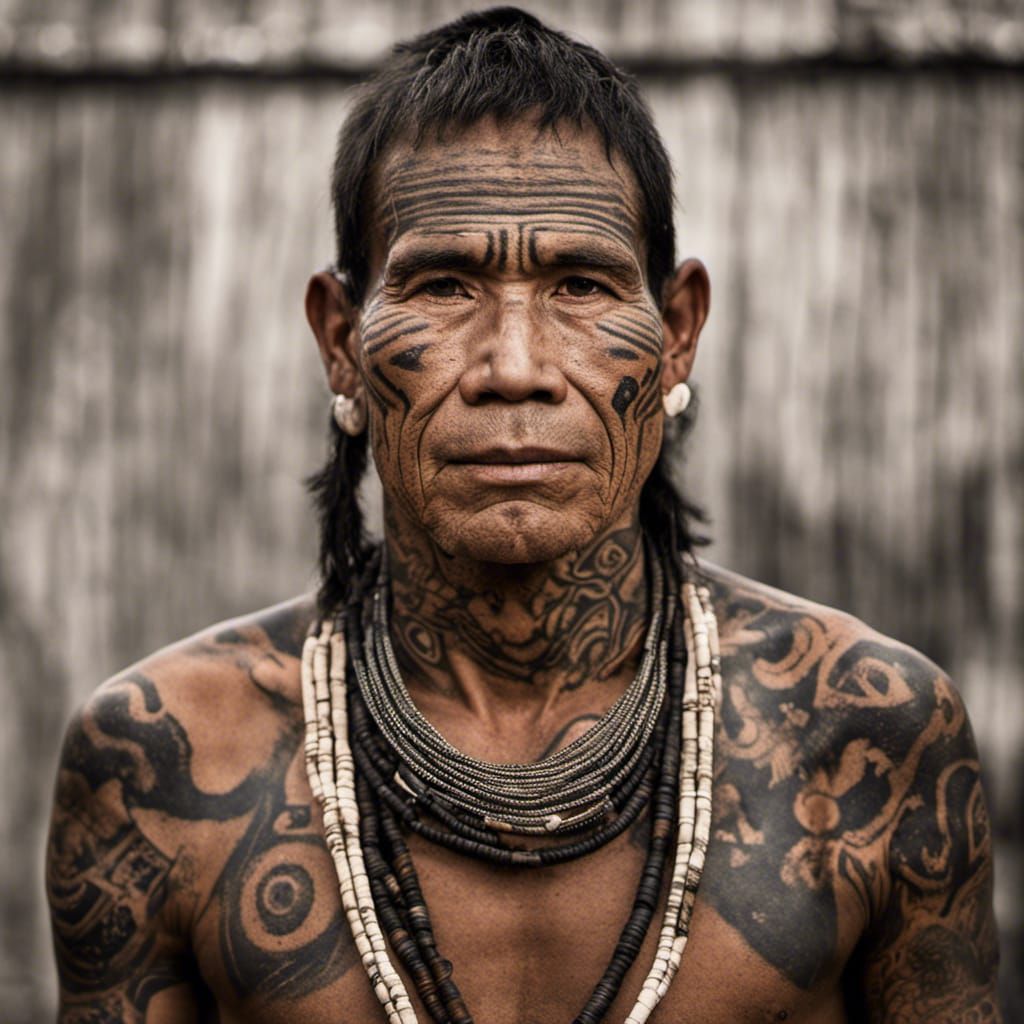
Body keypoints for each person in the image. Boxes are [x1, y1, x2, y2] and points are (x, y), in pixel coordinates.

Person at [45, 8, 1001, 1023]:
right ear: (340, 340)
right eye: (442, 284)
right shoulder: (163, 764)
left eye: (581, 285)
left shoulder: (866, 735)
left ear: (675, 334)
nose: (513, 368)